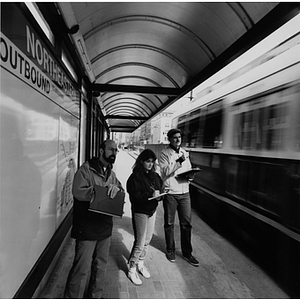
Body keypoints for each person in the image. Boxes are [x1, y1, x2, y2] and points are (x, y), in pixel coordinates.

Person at [64, 139, 123, 298]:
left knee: (101, 267)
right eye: (111, 149)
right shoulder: (86, 169)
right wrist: (101, 191)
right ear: (101, 150)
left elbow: (120, 190)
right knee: (81, 269)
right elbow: (77, 191)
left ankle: (95, 296)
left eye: (116, 150)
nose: (114, 153)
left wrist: (116, 189)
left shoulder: (111, 173)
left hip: (105, 228)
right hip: (87, 228)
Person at [159, 129, 199, 267]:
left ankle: (187, 253)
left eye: (179, 137)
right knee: (169, 223)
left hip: (185, 192)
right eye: (175, 138)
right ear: (169, 139)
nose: (178, 140)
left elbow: (188, 169)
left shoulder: (184, 153)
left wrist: (191, 176)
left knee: (186, 224)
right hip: (170, 193)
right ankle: (170, 250)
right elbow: (165, 172)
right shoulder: (164, 154)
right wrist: (179, 161)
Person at [126, 149, 164, 285]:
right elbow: (135, 196)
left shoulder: (154, 175)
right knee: (140, 241)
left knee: (148, 239)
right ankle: (132, 268)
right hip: (140, 211)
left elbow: (161, 187)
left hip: (152, 210)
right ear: (141, 161)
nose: (150, 164)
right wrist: (150, 195)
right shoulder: (134, 177)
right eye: (148, 161)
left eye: (152, 162)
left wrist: (160, 195)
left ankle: (140, 263)